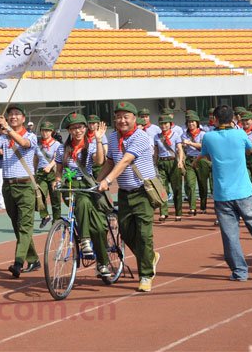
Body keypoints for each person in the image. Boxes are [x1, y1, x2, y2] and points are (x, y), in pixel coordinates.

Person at [195, 105, 252, 282]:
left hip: (223, 194)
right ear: (233, 119)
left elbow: (206, 155)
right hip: (244, 191)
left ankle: (239, 272)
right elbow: (249, 150)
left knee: (230, 235)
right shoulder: (240, 134)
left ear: (214, 119)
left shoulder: (208, 137)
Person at [98, 101, 161, 293]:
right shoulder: (113, 136)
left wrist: (107, 181)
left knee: (143, 234)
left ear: (134, 119)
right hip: (125, 193)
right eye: (118, 117)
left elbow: (125, 160)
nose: (121, 120)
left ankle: (146, 275)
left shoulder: (140, 137)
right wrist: (97, 181)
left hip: (143, 191)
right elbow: (109, 162)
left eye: (126, 116)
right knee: (124, 232)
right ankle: (150, 257)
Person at [54, 112, 110, 277]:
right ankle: (84, 240)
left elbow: (99, 161)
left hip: (87, 185)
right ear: (69, 131)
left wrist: (99, 140)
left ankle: (102, 263)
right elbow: (59, 171)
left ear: (85, 128)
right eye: (73, 128)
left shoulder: (91, 145)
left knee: (99, 228)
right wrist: (57, 181)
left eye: (80, 127)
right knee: (82, 203)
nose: (77, 131)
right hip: (70, 186)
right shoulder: (61, 148)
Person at [0, 103, 39, 278]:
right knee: (17, 225)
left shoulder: (31, 136)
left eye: (17, 114)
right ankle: (33, 258)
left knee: (25, 225)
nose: (13, 116)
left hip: (25, 186)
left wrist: (8, 129)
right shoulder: (4, 137)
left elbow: (23, 143)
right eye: (11, 114)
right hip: (8, 186)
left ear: (23, 119)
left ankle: (18, 262)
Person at [154, 115, 185, 221]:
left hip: (173, 162)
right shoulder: (157, 137)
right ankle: (163, 212)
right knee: (163, 188)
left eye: (166, 123)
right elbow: (156, 152)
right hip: (162, 163)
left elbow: (180, 149)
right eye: (161, 124)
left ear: (170, 124)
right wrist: (154, 163)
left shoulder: (175, 135)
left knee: (176, 188)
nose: (163, 126)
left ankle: (178, 212)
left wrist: (180, 161)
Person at [35, 120, 61, 228]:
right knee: (39, 196)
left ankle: (57, 220)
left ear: (51, 132)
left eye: (47, 131)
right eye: (43, 130)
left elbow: (57, 158)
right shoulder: (38, 145)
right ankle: (45, 216)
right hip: (41, 173)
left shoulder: (56, 144)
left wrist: (50, 166)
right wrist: (33, 172)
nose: (45, 133)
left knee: (55, 198)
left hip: (53, 172)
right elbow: (35, 159)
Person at [183, 112, 211, 214]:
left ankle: (203, 206)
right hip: (190, 160)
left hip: (201, 159)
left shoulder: (203, 134)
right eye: (189, 122)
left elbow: (203, 147)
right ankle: (192, 207)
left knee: (202, 184)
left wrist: (190, 143)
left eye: (193, 122)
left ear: (197, 123)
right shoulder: (185, 134)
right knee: (190, 184)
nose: (191, 124)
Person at [86, 114, 108, 178]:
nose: (91, 125)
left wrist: (107, 164)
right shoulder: (84, 134)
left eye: (93, 123)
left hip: (98, 163)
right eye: (90, 123)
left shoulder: (101, 134)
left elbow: (105, 149)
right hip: (87, 163)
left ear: (98, 124)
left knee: (100, 182)